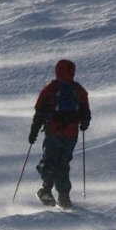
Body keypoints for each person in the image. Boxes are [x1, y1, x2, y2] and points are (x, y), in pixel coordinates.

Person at [28, 59, 91, 209]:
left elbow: (39, 111)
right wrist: (83, 124)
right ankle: (64, 198)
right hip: (71, 134)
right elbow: (86, 113)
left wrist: (33, 132)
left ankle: (46, 190)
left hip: (54, 131)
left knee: (49, 162)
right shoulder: (78, 90)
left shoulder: (51, 88)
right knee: (63, 164)